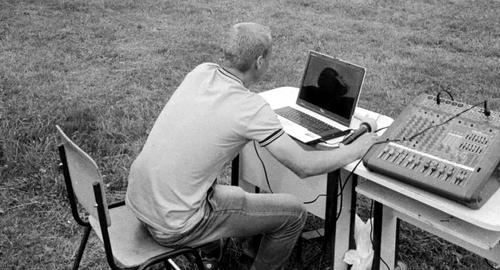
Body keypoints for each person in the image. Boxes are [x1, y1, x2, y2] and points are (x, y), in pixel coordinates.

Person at [125, 23, 382, 270]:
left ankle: (235, 247)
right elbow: (304, 166)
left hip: (141, 202)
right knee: (294, 214)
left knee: (236, 196)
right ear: (259, 61)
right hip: (176, 225)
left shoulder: (201, 72)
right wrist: (356, 149)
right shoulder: (251, 108)